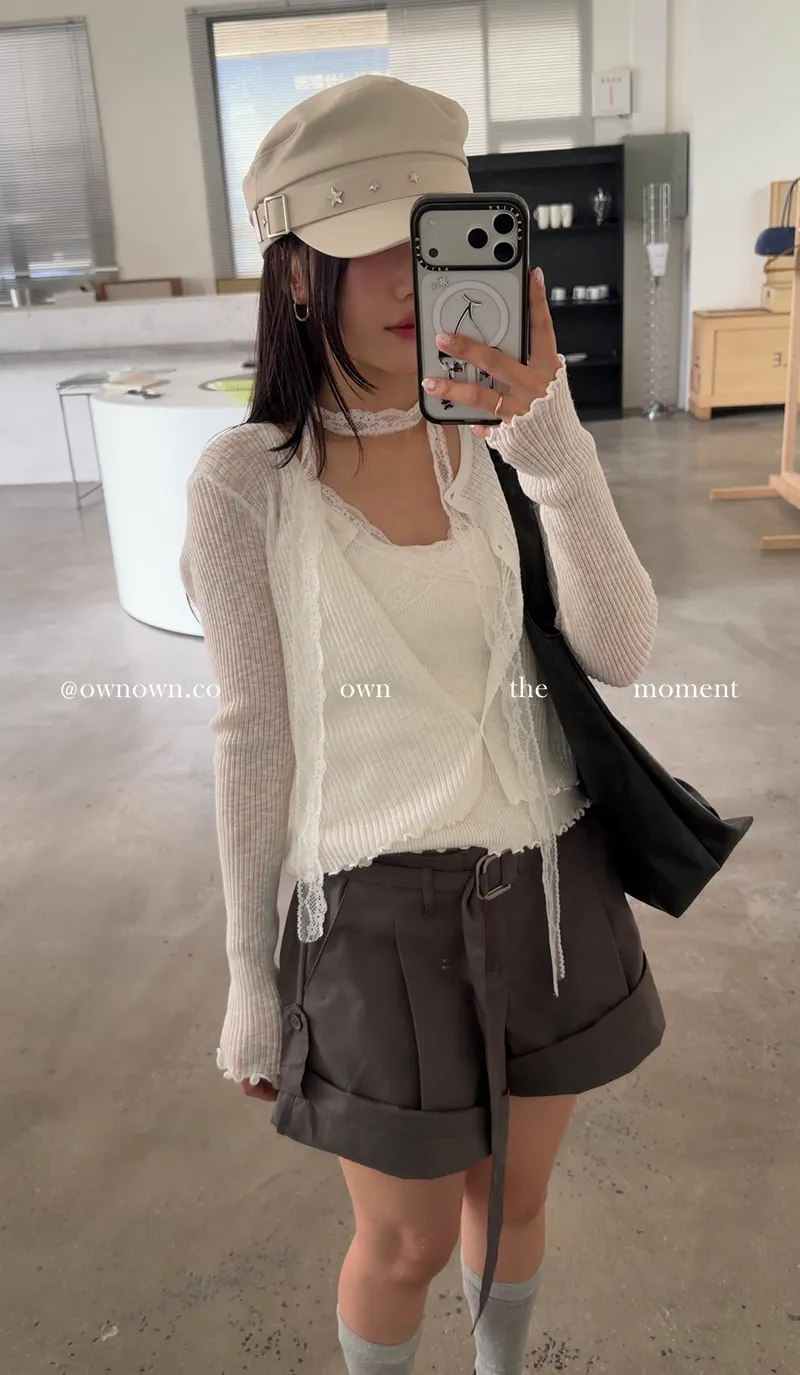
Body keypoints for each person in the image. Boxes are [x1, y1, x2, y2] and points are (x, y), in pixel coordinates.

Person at [180, 74, 665, 1375]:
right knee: (398, 1245)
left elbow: (622, 650)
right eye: (368, 246)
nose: (411, 276)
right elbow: (252, 737)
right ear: (297, 275)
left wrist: (554, 445)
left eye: (437, 237)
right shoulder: (247, 484)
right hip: (369, 913)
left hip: (549, 882)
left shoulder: (504, 439)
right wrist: (248, 973)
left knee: (514, 1206)